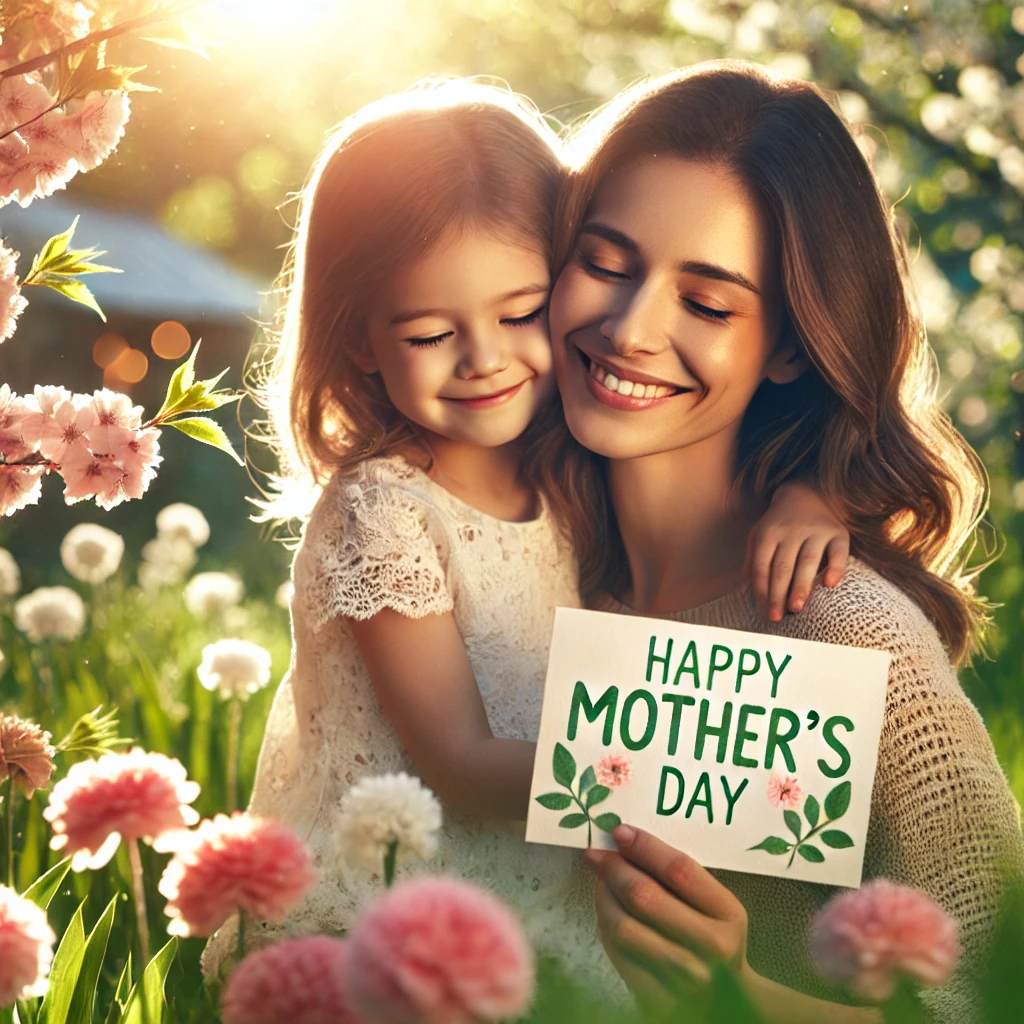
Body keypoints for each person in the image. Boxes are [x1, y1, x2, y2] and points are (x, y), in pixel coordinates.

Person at [203, 77, 850, 985]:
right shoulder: (382, 510)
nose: (487, 360)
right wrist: (703, 784)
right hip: (391, 916)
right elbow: (461, 765)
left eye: (519, 314)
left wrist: (810, 494)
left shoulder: (567, 472)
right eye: (432, 333)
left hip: (538, 903)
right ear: (359, 342)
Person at [536, 60, 1024, 1021]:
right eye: (605, 262)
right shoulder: (526, 574)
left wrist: (738, 997)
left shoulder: (848, 634)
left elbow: (996, 996)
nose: (632, 328)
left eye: (708, 303)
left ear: (795, 346)